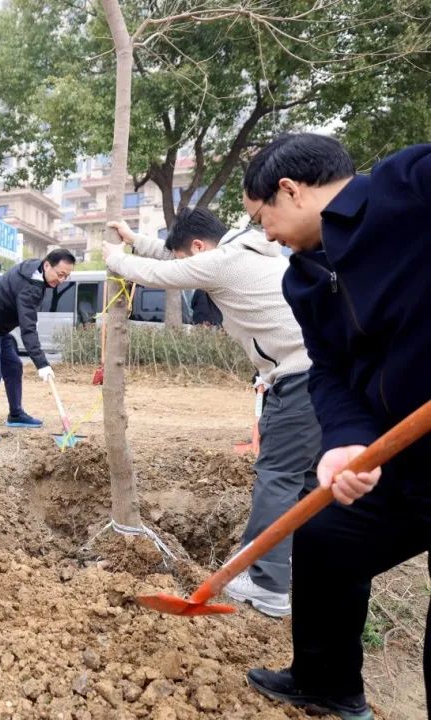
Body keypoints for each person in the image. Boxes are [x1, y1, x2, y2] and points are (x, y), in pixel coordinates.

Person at [238, 134, 431, 720]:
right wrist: (346, 439)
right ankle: (327, 682)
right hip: (399, 451)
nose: (266, 234)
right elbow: (328, 370)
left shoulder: (409, 186)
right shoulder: (302, 278)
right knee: (327, 534)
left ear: (290, 191)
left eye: (261, 217)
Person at [103, 208, 319, 617]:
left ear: (200, 246)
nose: (187, 264)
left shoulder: (224, 261)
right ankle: (291, 563)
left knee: (278, 476)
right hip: (323, 374)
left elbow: (164, 273)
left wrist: (115, 258)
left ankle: (267, 584)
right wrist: (136, 240)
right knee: (306, 479)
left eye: (188, 256)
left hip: (299, 378)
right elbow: (179, 261)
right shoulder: (243, 250)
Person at [0, 248, 76, 446]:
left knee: (14, 366)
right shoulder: (30, 287)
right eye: (60, 274)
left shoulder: (34, 268)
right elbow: (28, 329)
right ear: (47, 265)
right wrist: (42, 364)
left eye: (66, 276)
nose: (62, 280)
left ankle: (15, 414)